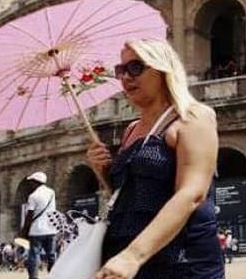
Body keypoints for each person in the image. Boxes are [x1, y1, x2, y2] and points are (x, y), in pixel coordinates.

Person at [86, 38, 224, 279]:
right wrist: (102, 171)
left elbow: (192, 193)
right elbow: (130, 198)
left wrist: (132, 256)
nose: (125, 77)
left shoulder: (193, 117)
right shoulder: (132, 130)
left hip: (182, 260)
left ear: (162, 69)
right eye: (120, 70)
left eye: (135, 67)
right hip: (130, 252)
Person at [20, 171, 57, 279]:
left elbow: (29, 215)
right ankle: (54, 275)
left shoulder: (33, 196)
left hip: (36, 230)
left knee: (34, 255)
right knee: (51, 254)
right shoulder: (52, 192)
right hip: (51, 229)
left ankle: (34, 277)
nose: (30, 184)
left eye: (31, 182)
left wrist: (24, 231)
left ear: (36, 182)